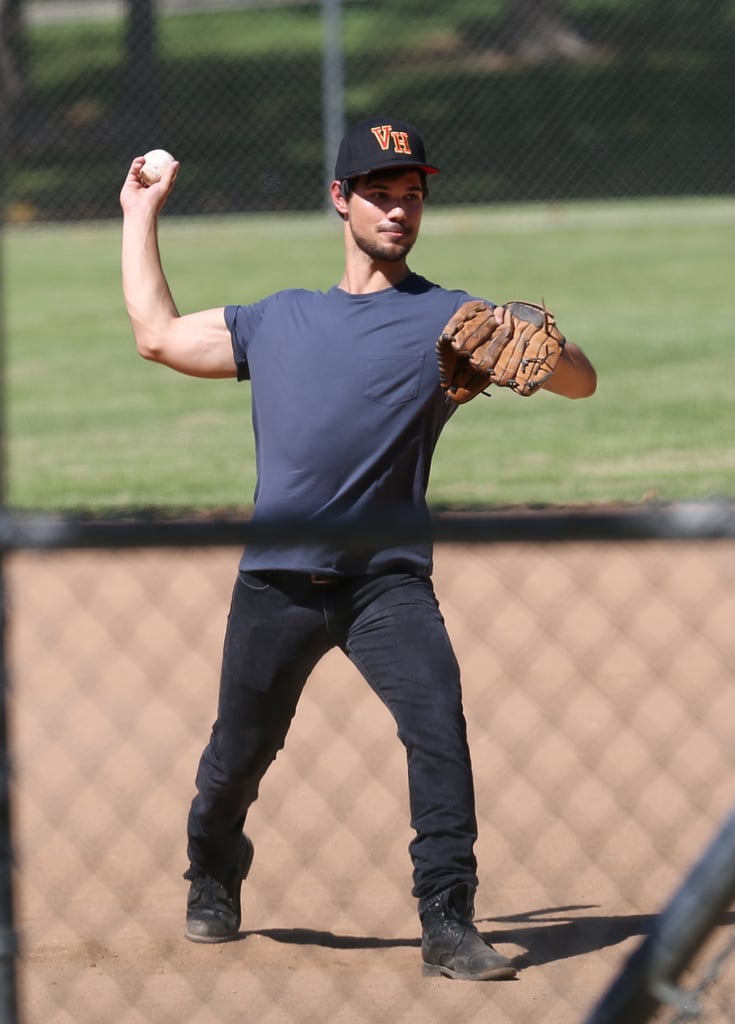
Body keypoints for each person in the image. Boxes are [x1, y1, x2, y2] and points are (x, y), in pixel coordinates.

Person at [120, 116, 596, 982]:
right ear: (339, 200)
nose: (397, 209)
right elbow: (157, 336)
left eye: (411, 195)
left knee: (438, 730)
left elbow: (578, 381)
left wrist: (545, 345)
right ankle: (213, 867)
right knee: (237, 754)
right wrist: (139, 212)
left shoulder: (454, 320)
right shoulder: (279, 320)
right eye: (379, 192)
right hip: (275, 584)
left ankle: (448, 920)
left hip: (386, 583)